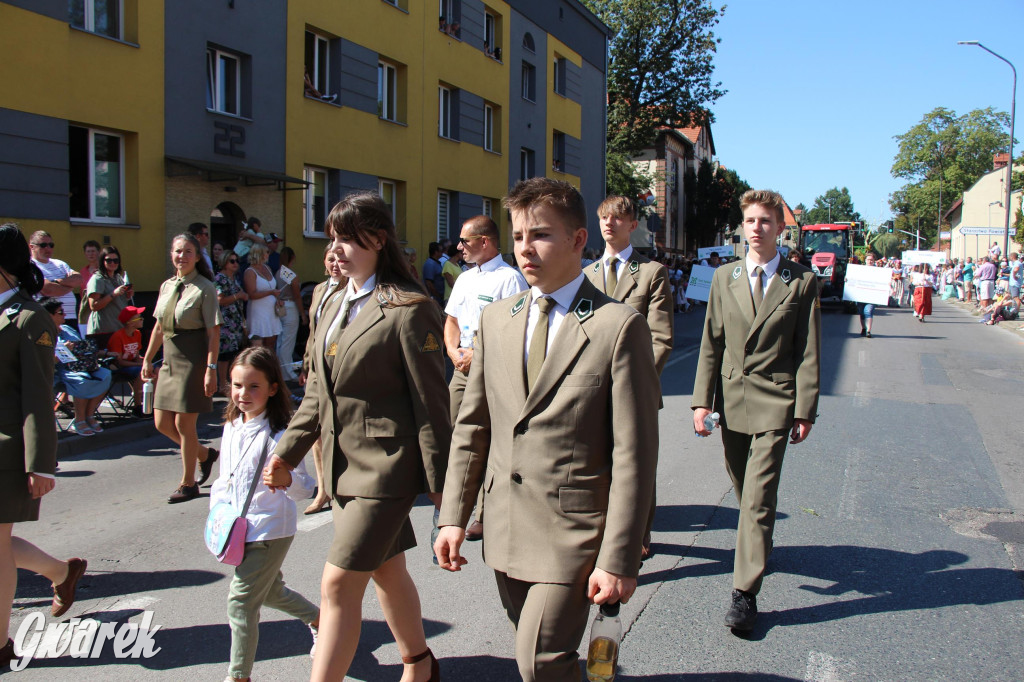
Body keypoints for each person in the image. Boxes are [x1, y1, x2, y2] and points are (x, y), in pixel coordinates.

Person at [434, 178, 660, 681]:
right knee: (535, 647)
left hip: (574, 531)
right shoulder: (497, 320)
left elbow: (634, 453)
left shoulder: (617, 326)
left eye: (540, 235)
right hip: (507, 526)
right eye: (518, 237)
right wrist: (454, 515)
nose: (525, 249)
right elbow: (474, 427)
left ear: (579, 240)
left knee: (539, 660)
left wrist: (620, 556)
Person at [264, 191, 450, 682]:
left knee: (338, 586)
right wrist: (286, 452)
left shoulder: (410, 308)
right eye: (333, 238)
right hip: (343, 469)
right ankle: (419, 661)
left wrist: (444, 488)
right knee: (389, 571)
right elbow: (317, 394)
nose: (337, 249)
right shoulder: (330, 301)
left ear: (378, 238)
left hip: (386, 470)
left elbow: (432, 406)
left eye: (348, 239)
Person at [691, 189, 820, 632]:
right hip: (731, 401)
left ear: (780, 228)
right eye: (750, 220)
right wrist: (700, 402)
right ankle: (756, 544)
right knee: (746, 495)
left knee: (759, 499)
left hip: (776, 402)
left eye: (766, 220)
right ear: (741, 227)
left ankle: (744, 594)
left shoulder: (801, 280)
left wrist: (805, 409)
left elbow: (806, 350)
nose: (758, 228)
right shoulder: (723, 277)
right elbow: (711, 343)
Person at [0, 225, 87, 669]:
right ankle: (60, 571)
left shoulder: (30, 318)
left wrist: (41, 464)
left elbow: (37, 395)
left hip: (7, 450)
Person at [212, 347, 320, 682]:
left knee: (241, 602)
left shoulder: (281, 433)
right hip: (237, 528)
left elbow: (304, 488)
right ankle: (320, 619)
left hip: (270, 529)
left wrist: (287, 480)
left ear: (273, 388)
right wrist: (218, 513)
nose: (243, 394)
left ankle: (238, 676)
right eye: (237, 385)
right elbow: (224, 478)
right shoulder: (231, 424)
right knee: (270, 592)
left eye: (253, 386)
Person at [585, 194, 674, 559]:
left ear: (632, 225)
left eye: (618, 218)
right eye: (604, 217)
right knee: (594, 461)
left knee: (636, 463)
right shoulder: (585, 274)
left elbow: (661, 338)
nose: (609, 223)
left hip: (634, 390)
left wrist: (630, 385)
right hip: (590, 389)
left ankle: (638, 533)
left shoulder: (651, 273)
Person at [443, 215, 528, 541]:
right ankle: (456, 511)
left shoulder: (510, 280)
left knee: (487, 439)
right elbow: (450, 319)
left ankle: (483, 513)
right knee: (458, 437)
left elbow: (516, 330)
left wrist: (478, 355)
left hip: (491, 368)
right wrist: (453, 351)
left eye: (465, 241)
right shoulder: (464, 278)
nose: (459, 247)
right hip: (462, 368)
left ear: (485, 242)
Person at [142, 232, 223, 503]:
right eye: (178, 251)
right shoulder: (167, 286)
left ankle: (188, 483)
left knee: (184, 423)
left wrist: (211, 368)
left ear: (197, 257)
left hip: (194, 359)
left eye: (188, 251)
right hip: (169, 359)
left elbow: (213, 332)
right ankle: (205, 454)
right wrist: (147, 358)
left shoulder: (204, 288)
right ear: (171, 254)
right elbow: (158, 326)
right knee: (161, 422)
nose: (182, 256)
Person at [299, 245, 345, 516]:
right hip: (317, 368)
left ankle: (340, 483)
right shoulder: (319, 290)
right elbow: (313, 332)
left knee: (336, 430)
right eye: (331, 258)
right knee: (315, 432)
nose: (335, 264)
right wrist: (307, 363)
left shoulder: (350, 290)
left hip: (337, 367)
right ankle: (323, 489)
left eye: (339, 258)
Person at [45, 297, 114, 436]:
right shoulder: (45, 334)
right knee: (83, 380)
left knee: (106, 375)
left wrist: (104, 353)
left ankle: (89, 415)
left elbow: (84, 347)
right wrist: (64, 351)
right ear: (48, 315)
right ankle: (79, 419)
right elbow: (47, 361)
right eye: (60, 312)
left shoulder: (67, 329)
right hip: (61, 370)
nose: (64, 314)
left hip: (84, 365)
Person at [214, 250, 250, 393]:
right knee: (224, 355)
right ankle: (222, 384)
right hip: (225, 322)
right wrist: (238, 296)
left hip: (235, 321)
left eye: (237, 261)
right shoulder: (220, 279)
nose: (235, 264)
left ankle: (228, 382)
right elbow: (220, 300)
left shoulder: (234, 278)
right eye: (232, 261)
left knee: (233, 353)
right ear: (224, 262)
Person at [85, 245, 133, 346]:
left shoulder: (118, 278)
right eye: (109, 260)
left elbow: (119, 302)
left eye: (115, 260)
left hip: (118, 328)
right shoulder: (97, 279)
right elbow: (94, 306)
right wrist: (113, 294)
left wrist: (128, 295)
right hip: (103, 331)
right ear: (102, 261)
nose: (112, 263)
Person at [29, 231, 81, 322]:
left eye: (51, 245)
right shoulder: (30, 266)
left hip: (70, 318)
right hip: (48, 319)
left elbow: (79, 279)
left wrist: (58, 282)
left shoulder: (60, 264)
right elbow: (48, 289)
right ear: (32, 247)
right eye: (43, 245)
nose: (48, 248)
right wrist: (70, 286)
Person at [107, 305, 147, 415]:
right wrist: (140, 365)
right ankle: (137, 406)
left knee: (155, 369)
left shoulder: (137, 334)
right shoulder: (118, 336)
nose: (142, 320)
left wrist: (144, 362)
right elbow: (119, 361)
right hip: (120, 367)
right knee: (141, 371)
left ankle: (152, 402)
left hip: (131, 364)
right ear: (130, 322)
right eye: (139, 318)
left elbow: (136, 356)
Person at [275, 246, 307, 381]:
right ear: (292, 258)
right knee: (288, 340)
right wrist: (302, 314)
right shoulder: (290, 274)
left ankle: (281, 370)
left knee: (281, 340)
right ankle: (287, 372)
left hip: (280, 306)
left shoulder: (277, 272)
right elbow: (297, 296)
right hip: (290, 306)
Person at [244, 243, 282, 353]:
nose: (268, 254)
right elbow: (252, 294)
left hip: (271, 312)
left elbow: (272, 287)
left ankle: (270, 367)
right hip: (258, 312)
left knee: (271, 343)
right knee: (258, 347)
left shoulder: (267, 267)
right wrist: (270, 292)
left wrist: (278, 299)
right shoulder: (250, 272)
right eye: (267, 252)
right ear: (260, 254)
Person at [77, 240, 102, 335]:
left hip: (100, 307)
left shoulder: (104, 270)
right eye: (88, 251)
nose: (91, 254)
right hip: (86, 310)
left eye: (93, 251)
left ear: (98, 252)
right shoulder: (83, 271)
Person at [857, 252, 880, 337]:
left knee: (868, 311)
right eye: (868, 259)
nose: (870, 261)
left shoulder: (878, 271)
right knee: (861, 312)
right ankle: (864, 328)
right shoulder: (859, 270)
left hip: (872, 296)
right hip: (860, 295)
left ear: (874, 261)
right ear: (865, 260)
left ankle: (868, 331)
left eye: (871, 260)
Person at [422, 242, 445, 306]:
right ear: (436, 252)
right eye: (441, 251)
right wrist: (437, 295)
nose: (442, 253)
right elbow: (429, 283)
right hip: (435, 298)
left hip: (439, 298)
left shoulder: (436, 263)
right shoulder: (430, 264)